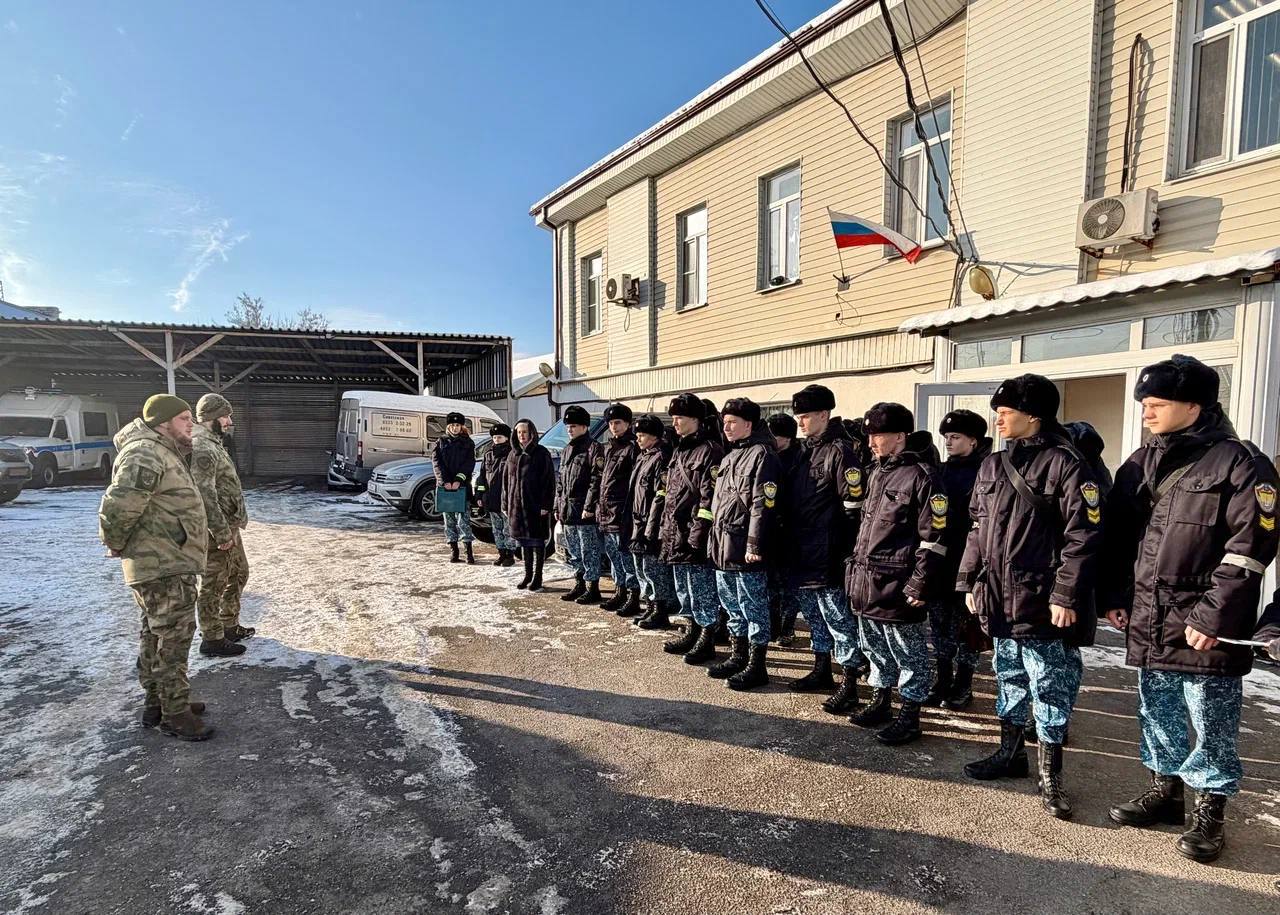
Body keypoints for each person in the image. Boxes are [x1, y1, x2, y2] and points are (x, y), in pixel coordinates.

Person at [1100, 355, 1279, 862]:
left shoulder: (1241, 463)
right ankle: (1166, 790)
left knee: (1211, 718)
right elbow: (1120, 539)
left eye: (1156, 404)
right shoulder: (1140, 461)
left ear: (1194, 406)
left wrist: (1214, 615)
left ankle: (1210, 812)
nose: (1146, 413)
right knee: (1157, 708)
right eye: (1144, 404)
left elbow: (1250, 548)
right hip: (1149, 615)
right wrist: (1115, 597)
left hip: (1205, 621)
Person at [958, 374, 1102, 820]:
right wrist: (968, 581)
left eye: (1006, 412)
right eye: (997, 412)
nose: (998, 420)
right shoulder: (992, 464)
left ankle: (1051, 774)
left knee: (1049, 683)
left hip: (1043, 599)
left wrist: (1066, 594)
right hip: (998, 595)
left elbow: (1084, 535)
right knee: (1009, 674)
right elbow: (977, 527)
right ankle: (1010, 752)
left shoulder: (1066, 464)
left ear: (1034, 415)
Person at [99, 394, 212, 741]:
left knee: (155, 636)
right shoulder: (145, 452)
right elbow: (119, 505)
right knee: (173, 640)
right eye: (183, 418)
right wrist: (115, 541)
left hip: (167, 560)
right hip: (162, 563)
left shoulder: (162, 450)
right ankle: (175, 714)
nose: (191, 424)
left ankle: (158, 704)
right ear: (162, 422)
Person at [846, 403, 949, 746]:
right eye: (869, 435)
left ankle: (910, 715)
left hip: (898, 584)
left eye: (878, 435)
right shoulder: (878, 472)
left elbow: (934, 539)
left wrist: (920, 582)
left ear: (900, 436)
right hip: (868, 580)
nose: (871, 442)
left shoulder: (922, 476)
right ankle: (881, 701)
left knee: (909, 654)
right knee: (875, 647)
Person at [783, 384, 866, 712]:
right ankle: (821, 668)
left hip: (828, 552)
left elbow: (853, 507)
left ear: (823, 414)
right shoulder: (805, 451)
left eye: (805, 416)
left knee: (838, 620)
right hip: (802, 550)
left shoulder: (840, 451)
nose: (800, 422)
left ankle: (850, 681)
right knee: (815, 616)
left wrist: (842, 551)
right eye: (798, 417)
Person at [707, 397, 781, 690]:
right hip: (723, 543)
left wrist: (754, 544)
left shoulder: (762, 455)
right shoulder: (730, 455)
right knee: (731, 604)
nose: (726, 428)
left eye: (732, 422)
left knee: (753, 606)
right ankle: (738, 655)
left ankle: (757, 664)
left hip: (744, 547)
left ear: (748, 424)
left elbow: (763, 504)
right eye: (724, 422)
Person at [924, 409, 991, 709]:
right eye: (947, 437)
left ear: (973, 440)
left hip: (970, 560)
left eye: (956, 437)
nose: (949, 442)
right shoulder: (940, 471)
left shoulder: (986, 471)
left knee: (967, 628)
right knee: (939, 626)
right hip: (941, 561)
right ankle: (942, 680)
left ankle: (963, 684)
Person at [659, 393, 724, 663]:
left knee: (702, 589)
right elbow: (671, 494)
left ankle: (707, 637)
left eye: (679, 418)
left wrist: (697, 534)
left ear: (695, 419)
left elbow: (709, 498)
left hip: (694, 533)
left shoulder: (710, 450)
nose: (675, 423)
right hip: (676, 531)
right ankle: (692, 630)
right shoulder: (680, 449)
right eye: (673, 418)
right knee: (685, 588)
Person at [190, 393, 250, 659]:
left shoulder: (214, 443)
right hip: (217, 529)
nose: (229, 421)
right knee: (214, 583)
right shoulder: (202, 447)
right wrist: (221, 532)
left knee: (238, 573)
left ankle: (228, 625)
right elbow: (205, 495)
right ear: (211, 417)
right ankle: (212, 638)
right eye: (225, 416)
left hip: (229, 525)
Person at [591, 403, 642, 616]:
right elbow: (601, 479)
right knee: (614, 556)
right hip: (606, 511)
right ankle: (620, 590)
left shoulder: (632, 448)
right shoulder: (609, 448)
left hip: (621, 511)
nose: (614, 427)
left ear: (628, 424)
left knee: (626, 557)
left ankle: (633, 595)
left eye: (618, 423)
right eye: (611, 423)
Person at [627, 414, 677, 630]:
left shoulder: (661, 458)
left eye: (642, 435)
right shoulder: (643, 457)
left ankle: (660, 609)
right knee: (641, 568)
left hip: (651, 523)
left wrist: (651, 527)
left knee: (654, 569)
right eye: (637, 435)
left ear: (655, 436)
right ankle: (649, 605)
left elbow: (660, 496)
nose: (638, 439)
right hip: (638, 520)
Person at [556, 405, 604, 603]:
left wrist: (589, 507)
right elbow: (561, 480)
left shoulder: (593, 448)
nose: (570, 429)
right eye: (568, 426)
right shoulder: (567, 449)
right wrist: (558, 505)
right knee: (574, 551)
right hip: (568, 510)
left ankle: (592, 587)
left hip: (584, 511)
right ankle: (579, 583)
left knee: (589, 551)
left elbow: (596, 480)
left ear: (584, 427)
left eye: (574, 426)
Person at [504, 419, 555, 591]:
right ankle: (527, 575)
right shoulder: (513, 454)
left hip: (535, 506)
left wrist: (546, 505)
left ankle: (538, 577)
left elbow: (549, 481)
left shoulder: (541, 453)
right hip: (517, 507)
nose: (522, 435)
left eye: (525, 432)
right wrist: (506, 503)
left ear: (532, 433)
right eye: (519, 432)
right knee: (524, 543)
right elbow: (506, 482)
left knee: (537, 543)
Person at [767, 412, 801, 646]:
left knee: (788, 586)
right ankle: (773, 625)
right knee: (771, 584)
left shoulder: (799, 460)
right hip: (770, 531)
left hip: (790, 532)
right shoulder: (768, 458)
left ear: (786, 438)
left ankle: (787, 627)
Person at [432, 412, 476, 564]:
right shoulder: (441, 442)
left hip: (461, 487)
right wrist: (445, 481)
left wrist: (458, 480)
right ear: (448, 426)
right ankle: (454, 551)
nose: (455, 428)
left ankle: (468, 551)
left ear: (461, 427)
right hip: (445, 487)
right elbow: (437, 463)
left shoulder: (468, 443)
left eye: (458, 425)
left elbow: (469, 463)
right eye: (452, 425)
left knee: (464, 521)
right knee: (449, 521)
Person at [476, 423, 517, 567]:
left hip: (506, 499)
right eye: (494, 437)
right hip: (491, 498)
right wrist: (480, 495)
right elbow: (482, 477)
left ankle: (510, 555)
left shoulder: (512, 454)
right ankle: (501, 553)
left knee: (508, 529)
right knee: (496, 529)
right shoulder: (488, 455)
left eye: (499, 437)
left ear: (506, 438)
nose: (496, 440)